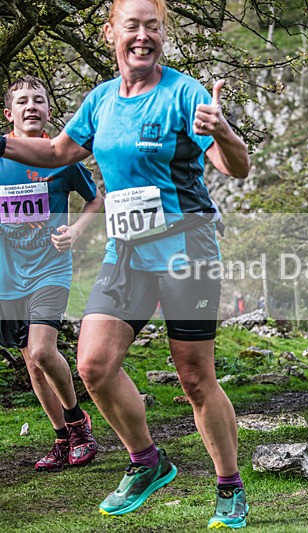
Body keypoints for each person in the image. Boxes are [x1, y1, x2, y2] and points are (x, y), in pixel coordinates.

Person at [0, 0, 251, 527]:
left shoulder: (184, 94)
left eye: (152, 27)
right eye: (131, 26)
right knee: (93, 365)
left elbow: (236, 167)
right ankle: (148, 461)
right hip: (127, 251)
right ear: (111, 31)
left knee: (195, 375)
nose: (142, 36)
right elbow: (54, 154)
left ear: (162, 34)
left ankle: (229, 484)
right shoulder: (101, 101)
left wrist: (223, 130)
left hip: (188, 246)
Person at [0, 75, 103, 472]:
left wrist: (75, 230)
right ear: (9, 113)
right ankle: (62, 439)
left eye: (38, 101)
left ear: (47, 111)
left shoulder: (62, 155)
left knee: (43, 350)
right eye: (22, 101)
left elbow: (95, 200)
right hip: (8, 276)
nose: (31, 106)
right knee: (31, 363)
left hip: (50, 269)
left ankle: (78, 423)